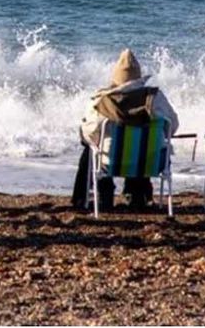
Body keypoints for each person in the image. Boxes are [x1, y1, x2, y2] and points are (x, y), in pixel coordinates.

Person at [73, 48, 180, 210]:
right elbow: (172, 126)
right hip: (150, 163)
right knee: (142, 146)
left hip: (109, 163)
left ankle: (102, 194)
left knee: (90, 147)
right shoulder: (156, 99)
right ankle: (138, 195)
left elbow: (90, 132)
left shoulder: (104, 101)